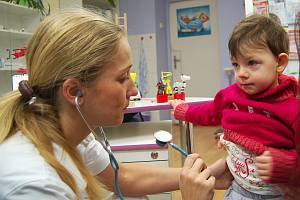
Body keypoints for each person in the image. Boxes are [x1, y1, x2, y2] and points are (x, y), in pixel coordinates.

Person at [0, 9, 231, 200]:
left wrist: (198, 175)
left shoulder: (70, 131)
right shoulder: (35, 186)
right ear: (74, 91)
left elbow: (121, 178)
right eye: (122, 78)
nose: (134, 90)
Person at [171, 14, 299, 199]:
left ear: (280, 63)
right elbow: (211, 113)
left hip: (278, 195)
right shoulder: (230, 95)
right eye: (236, 64)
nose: (241, 73)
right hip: (237, 189)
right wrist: (184, 111)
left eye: (252, 63)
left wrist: (287, 164)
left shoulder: (293, 109)